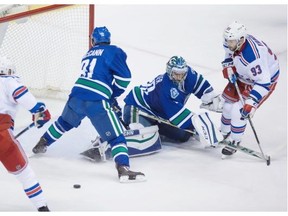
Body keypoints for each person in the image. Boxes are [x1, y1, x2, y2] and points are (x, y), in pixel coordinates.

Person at [32, 26, 146, 183]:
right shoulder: (113, 51)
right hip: (96, 100)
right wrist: (112, 94)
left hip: (77, 95)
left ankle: (42, 142)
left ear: (93, 40)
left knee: (63, 122)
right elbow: (125, 78)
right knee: (116, 138)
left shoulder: (87, 54)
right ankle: (123, 169)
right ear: (108, 39)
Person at [122, 55, 223, 153]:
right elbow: (177, 115)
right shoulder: (165, 88)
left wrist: (211, 97)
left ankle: (156, 127)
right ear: (170, 71)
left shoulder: (189, 74)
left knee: (183, 135)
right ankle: (123, 128)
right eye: (176, 73)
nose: (179, 76)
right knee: (143, 139)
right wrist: (199, 127)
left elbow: (200, 84)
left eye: (182, 73)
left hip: (161, 113)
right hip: (137, 107)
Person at [219, 21, 280, 157]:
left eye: (232, 42)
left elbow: (264, 82)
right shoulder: (232, 42)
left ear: (241, 40)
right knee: (228, 106)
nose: (228, 44)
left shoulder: (252, 57)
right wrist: (228, 67)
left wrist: (251, 102)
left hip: (262, 80)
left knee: (239, 111)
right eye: (228, 40)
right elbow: (229, 54)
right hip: (245, 75)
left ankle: (234, 140)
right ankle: (224, 132)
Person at [0, 56, 51, 211]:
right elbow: (23, 95)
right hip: (2, 134)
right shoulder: (9, 81)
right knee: (25, 175)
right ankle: (42, 208)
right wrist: (40, 111)